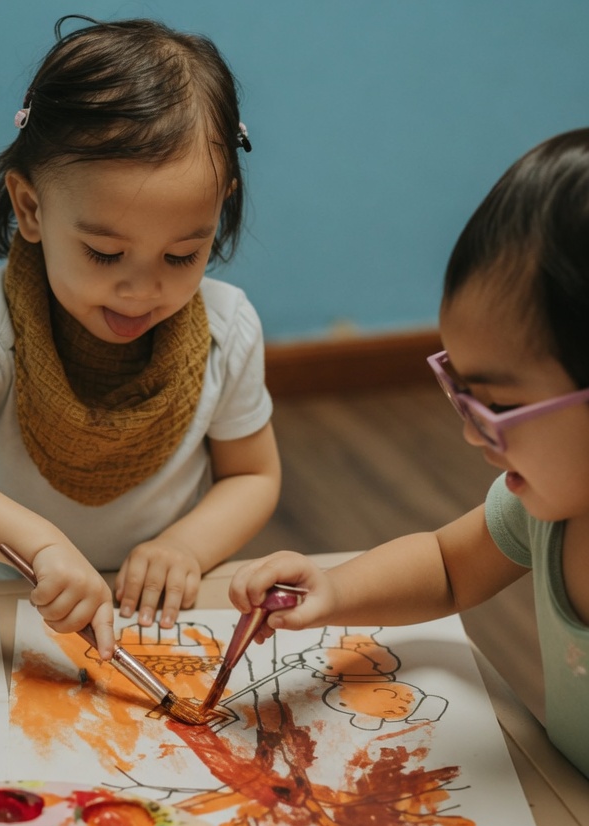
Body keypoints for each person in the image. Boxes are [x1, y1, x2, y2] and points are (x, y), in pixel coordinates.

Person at [0, 16, 280, 658]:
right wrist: (40, 548)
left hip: (164, 608)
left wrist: (185, 547)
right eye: (104, 253)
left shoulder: (227, 328)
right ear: (31, 207)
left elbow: (253, 475)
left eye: (182, 255)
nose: (141, 290)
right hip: (23, 601)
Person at [230, 128, 589, 779]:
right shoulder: (548, 510)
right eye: (462, 392)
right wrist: (334, 590)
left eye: (499, 407)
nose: (472, 434)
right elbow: (449, 566)